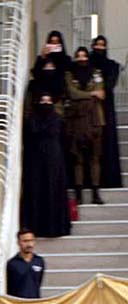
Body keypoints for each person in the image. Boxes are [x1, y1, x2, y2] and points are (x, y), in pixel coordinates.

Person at [20, 94, 70, 239]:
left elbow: (60, 137)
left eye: (49, 101)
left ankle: (54, 226)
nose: (45, 104)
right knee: (37, 189)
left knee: (53, 188)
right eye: (43, 101)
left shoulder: (57, 119)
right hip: (35, 160)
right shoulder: (32, 120)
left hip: (54, 159)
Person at [66, 47, 106, 206]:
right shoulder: (69, 74)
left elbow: (101, 93)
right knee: (78, 159)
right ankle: (79, 194)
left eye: (84, 56)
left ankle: (96, 192)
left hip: (96, 120)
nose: (82, 59)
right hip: (76, 120)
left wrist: (86, 96)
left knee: (95, 157)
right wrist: (91, 95)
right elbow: (72, 93)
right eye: (78, 56)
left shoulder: (96, 73)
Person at [90, 36, 122, 190]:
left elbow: (110, 84)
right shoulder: (86, 64)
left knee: (107, 141)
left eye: (102, 45)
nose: (99, 48)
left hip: (106, 106)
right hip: (89, 107)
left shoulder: (112, 66)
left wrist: (101, 89)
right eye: (97, 45)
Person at [30, 30, 71, 110]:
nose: (54, 45)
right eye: (52, 42)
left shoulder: (66, 59)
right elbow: (36, 75)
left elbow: (65, 72)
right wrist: (43, 58)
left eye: (57, 42)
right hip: (43, 97)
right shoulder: (42, 58)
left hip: (59, 96)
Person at [6, 230, 45, 299]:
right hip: (17, 303)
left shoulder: (39, 261)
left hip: (35, 302)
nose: (29, 244)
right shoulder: (12, 263)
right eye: (25, 241)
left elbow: (38, 282)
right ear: (18, 242)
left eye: (31, 240)